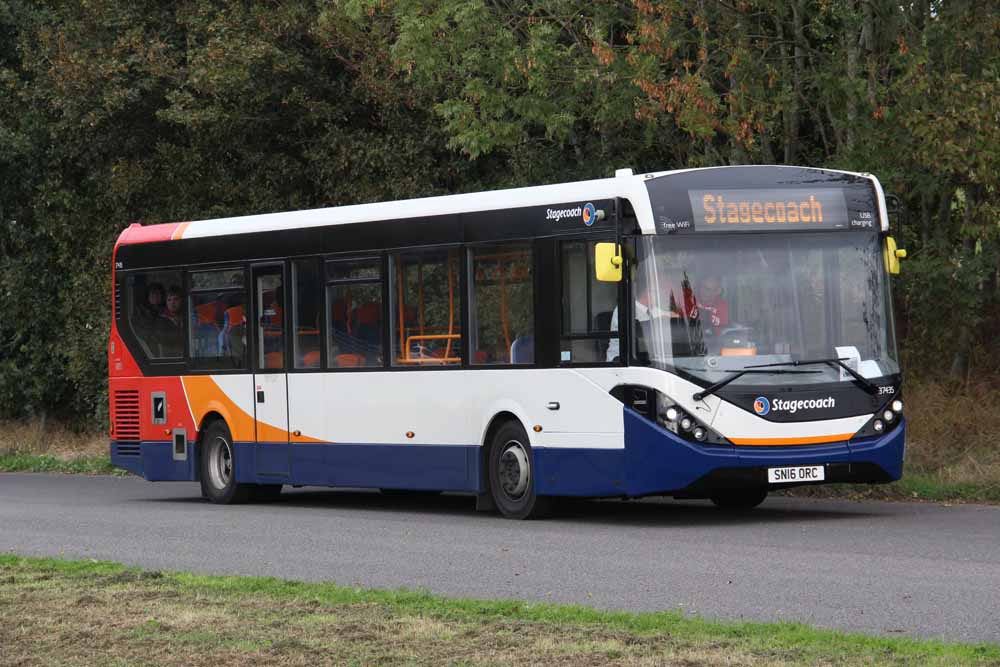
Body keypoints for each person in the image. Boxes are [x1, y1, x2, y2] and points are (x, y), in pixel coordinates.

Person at [154, 285, 185, 356]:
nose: (172, 303)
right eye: (169, 300)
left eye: (176, 299)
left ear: (182, 300)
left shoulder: (188, 316)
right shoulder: (161, 320)